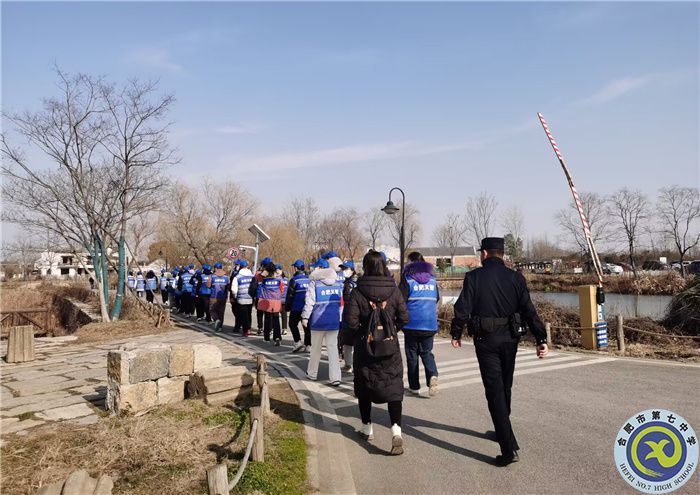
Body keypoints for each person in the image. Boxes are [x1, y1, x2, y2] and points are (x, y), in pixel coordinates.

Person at [451, 237, 549, 467]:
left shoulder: (474, 277)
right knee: (505, 386)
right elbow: (529, 310)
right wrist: (541, 338)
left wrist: (456, 333)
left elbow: (462, 308)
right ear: (502, 254)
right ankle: (502, 427)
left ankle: (508, 448)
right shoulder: (516, 277)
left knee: (494, 391)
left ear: (484, 253)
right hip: (510, 339)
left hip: (486, 340)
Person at [342, 250, 409, 455]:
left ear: (365, 266)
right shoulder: (394, 290)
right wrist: (390, 331)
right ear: (384, 266)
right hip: (390, 349)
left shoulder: (358, 291)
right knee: (393, 387)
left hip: (366, 349)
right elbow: (404, 318)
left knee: (365, 385)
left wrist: (364, 335)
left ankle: (367, 428)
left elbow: (350, 322)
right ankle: (396, 430)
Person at [399, 252, 440, 397]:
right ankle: (432, 375)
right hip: (429, 323)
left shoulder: (407, 280)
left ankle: (414, 386)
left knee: (412, 355)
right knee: (426, 352)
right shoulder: (432, 280)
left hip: (412, 324)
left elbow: (400, 301)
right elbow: (436, 298)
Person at [303, 258, 344, 386]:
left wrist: (305, 317)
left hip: (318, 322)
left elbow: (309, 302)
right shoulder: (338, 284)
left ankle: (312, 373)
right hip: (333, 321)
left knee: (315, 349)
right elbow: (341, 305)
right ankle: (335, 377)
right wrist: (340, 319)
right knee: (333, 349)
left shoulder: (314, 284)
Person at [256, 261, 284, 345]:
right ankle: (277, 337)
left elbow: (258, 277)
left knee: (267, 319)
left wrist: (264, 272)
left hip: (267, 300)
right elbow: (282, 289)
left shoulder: (264, 279)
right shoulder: (279, 279)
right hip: (276, 301)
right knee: (276, 319)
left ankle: (266, 338)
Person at [285, 259, 310, 352]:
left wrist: (287, 307)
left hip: (296, 307)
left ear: (296, 268)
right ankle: (308, 345)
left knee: (292, 324)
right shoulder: (309, 279)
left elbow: (290, 295)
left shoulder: (294, 280)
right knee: (307, 326)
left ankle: (298, 342)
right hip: (307, 307)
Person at [339, 260, 358, 372]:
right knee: (352, 341)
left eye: (345, 268)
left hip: (349, 315)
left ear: (352, 269)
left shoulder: (349, 284)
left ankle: (349, 365)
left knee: (348, 341)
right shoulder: (352, 281)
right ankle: (351, 364)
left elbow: (348, 301)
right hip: (354, 315)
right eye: (343, 269)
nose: (344, 271)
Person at [231, 260, 254, 336]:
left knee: (243, 315)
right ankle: (249, 329)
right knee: (249, 313)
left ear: (240, 267)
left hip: (241, 299)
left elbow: (234, 289)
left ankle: (245, 330)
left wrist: (235, 296)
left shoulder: (237, 277)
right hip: (250, 298)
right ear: (247, 267)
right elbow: (255, 287)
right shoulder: (252, 276)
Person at [250, 257, 272, 335]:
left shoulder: (258, 274)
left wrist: (253, 295)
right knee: (268, 313)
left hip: (260, 295)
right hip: (270, 296)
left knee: (260, 313)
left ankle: (260, 328)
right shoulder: (273, 274)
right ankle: (269, 329)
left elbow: (254, 286)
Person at [209, 262, 230, 331]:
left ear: (215, 268)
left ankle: (216, 319)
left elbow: (208, 285)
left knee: (212, 310)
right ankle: (220, 327)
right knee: (221, 312)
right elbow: (229, 287)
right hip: (223, 297)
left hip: (214, 296)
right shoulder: (226, 277)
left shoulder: (212, 276)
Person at [229, 259, 242, 333]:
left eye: (237, 264)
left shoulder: (242, 273)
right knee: (234, 309)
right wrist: (231, 295)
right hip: (234, 293)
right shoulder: (233, 272)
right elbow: (231, 284)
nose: (236, 266)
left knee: (238, 310)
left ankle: (238, 326)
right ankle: (239, 323)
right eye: (235, 264)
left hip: (240, 294)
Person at [277, 264, 289, 335]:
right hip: (284, 299)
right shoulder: (286, 280)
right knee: (284, 315)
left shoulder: (276, 279)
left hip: (278, 300)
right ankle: (284, 329)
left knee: (276, 315)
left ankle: (275, 329)